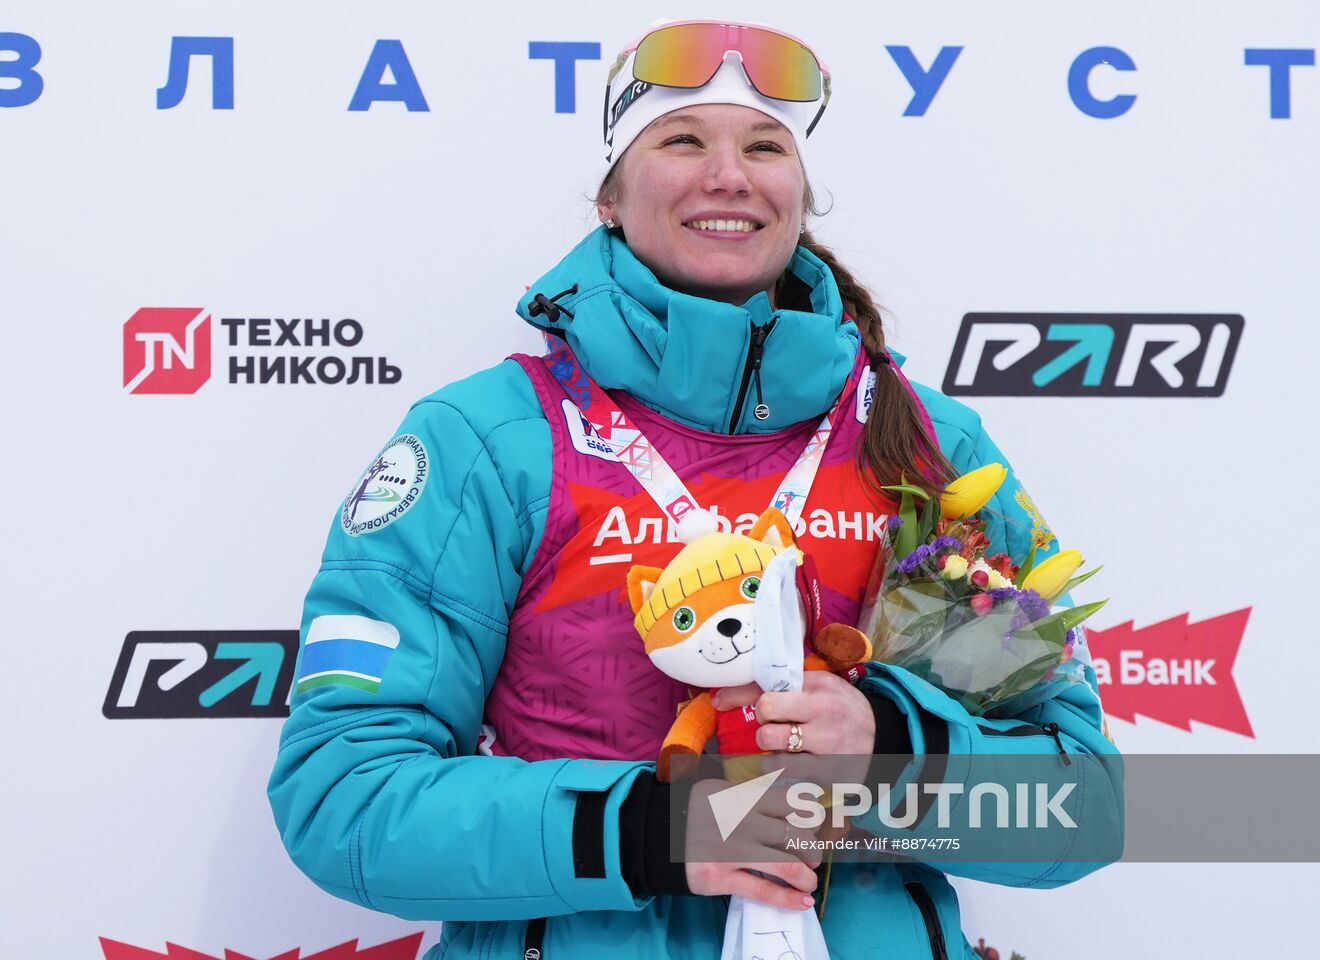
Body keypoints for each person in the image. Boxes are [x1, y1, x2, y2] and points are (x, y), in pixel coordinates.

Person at [268, 18, 1122, 959]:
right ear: (611, 195)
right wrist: (660, 831)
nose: (730, 175)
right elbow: (343, 798)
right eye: (683, 140)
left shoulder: (929, 446)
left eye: (765, 145)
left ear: (801, 190)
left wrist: (893, 758)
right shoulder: (488, 441)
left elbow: (1088, 808)